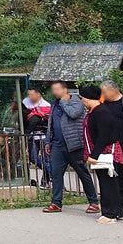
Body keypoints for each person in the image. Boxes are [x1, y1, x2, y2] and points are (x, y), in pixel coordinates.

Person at [44, 80, 99, 214]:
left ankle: (93, 202)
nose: (55, 92)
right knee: (56, 173)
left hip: (74, 145)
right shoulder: (54, 104)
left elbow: (73, 113)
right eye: (53, 90)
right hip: (57, 145)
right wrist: (48, 141)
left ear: (64, 90)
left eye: (57, 89)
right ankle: (56, 202)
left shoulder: (76, 101)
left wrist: (64, 101)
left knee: (82, 173)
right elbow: (51, 122)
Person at [82, 83, 123, 222]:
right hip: (102, 150)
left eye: (82, 98)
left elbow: (104, 135)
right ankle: (118, 211)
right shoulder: (97, 111)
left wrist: (94, 154)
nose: (82, 101)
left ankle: (109, 214)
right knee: (109, 182)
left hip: (106, 151)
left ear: (88, 98)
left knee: (107, 182)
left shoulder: (101, 112)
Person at [23, 87, 52, 187]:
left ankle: (50, 178)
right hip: (33, 136)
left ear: (38, 94)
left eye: (32, 94)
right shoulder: (26, 104)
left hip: (43, 136)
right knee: (33, 158)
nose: (30, 97)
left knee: (47, 159)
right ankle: (47, 172)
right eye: (29, 95)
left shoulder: (46, 105)